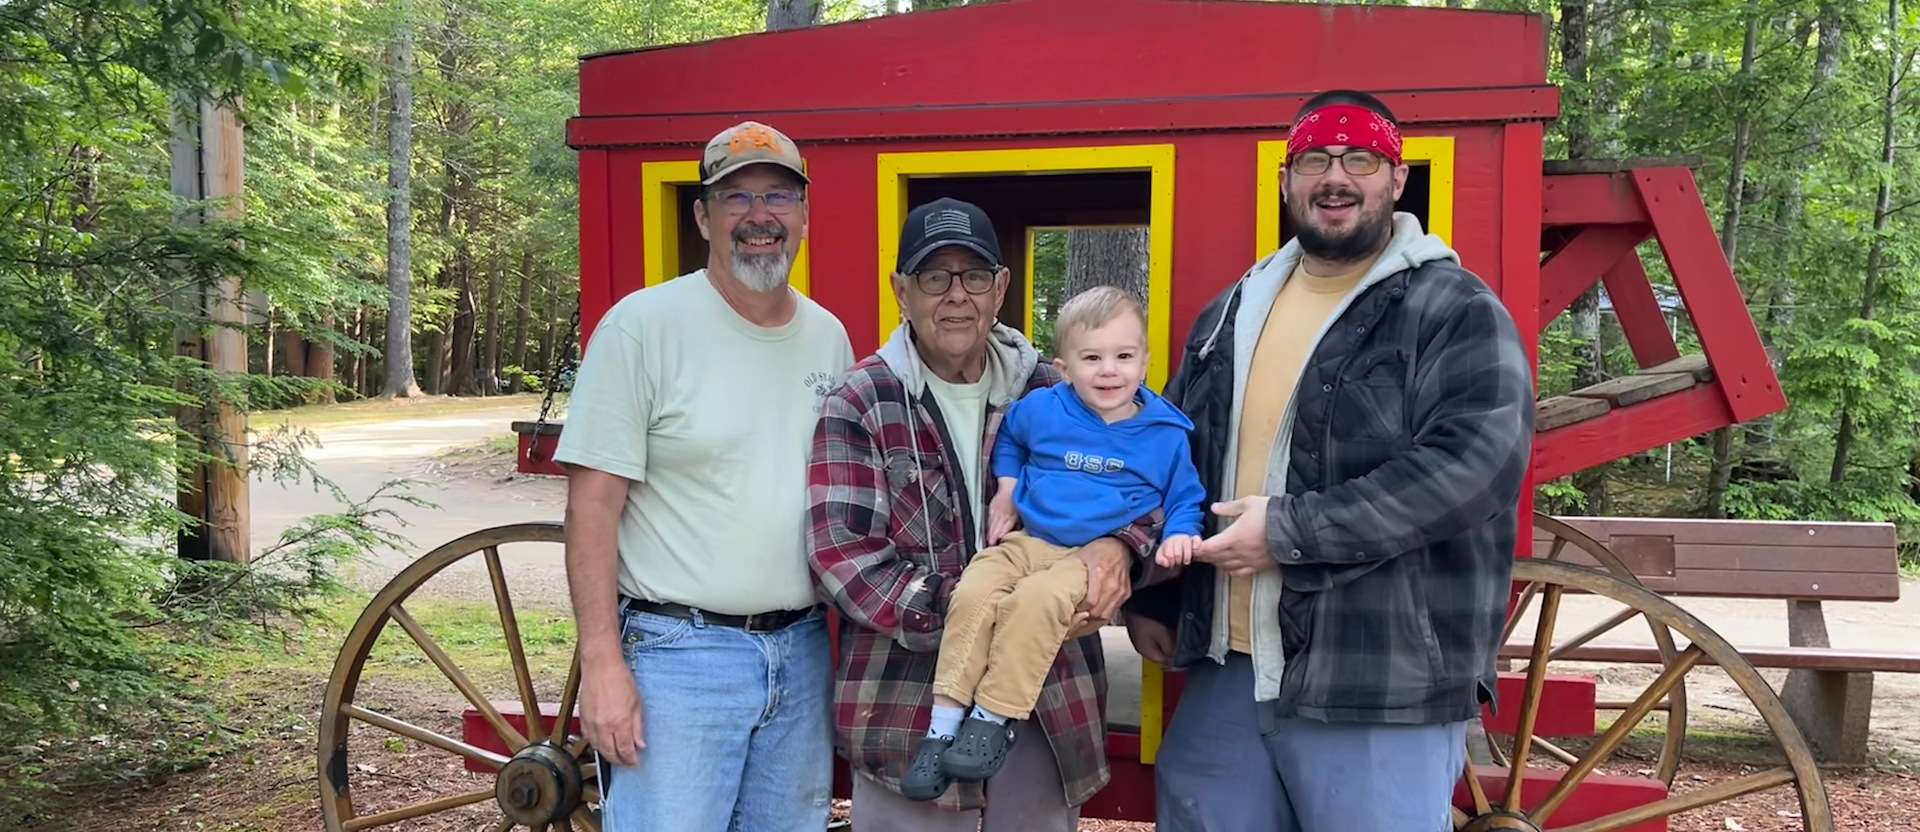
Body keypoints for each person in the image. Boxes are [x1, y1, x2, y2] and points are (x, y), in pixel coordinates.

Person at [1122, 89, 1535, 831]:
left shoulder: (1454, 307)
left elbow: (1473, 466)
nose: (1335, 176)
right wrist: (1155, 594)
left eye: (1360, 159)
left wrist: (1287, 531)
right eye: (1314, 158)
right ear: (1286, 181)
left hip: (1382, 677)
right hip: (1231, 667)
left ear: (1396, 178)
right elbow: (1174, 452)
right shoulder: (1231, 311)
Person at [807, 197, 1161, 830]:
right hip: (903, 702)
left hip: (1048, 696)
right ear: (900, 291)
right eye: (933, 277)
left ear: (1000, 288)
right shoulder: (860, 400)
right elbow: (844, 557)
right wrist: (986, 610)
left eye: (973, 276)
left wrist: (1122, 549)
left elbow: (1154, 476)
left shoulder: (1060, 388)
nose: (956, 296)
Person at [554, 120, 853, 832]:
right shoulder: (642, 327)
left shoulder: (828, 337)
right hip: (679, 655)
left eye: (778, 196)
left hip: (804, 648)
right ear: (703, 218)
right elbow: (591, 507)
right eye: (735, 198)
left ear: (803, 217)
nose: (759, 217)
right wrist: (601, 663)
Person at [921, 285, 1206, 790]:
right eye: (1091, 358)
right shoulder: (1044, 408)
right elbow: (1010, 437)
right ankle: (941, 729)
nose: (1108, 370)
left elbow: (1185, 495)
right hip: (1031, 538)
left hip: (1084, 557)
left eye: (1124, 356)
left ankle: (990, 720)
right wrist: (1007, 488)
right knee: (975, 588)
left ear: (1145, 361)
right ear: (1065, 366)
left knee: (1036, 601)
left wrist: (1181, 534)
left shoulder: (1164, 433)